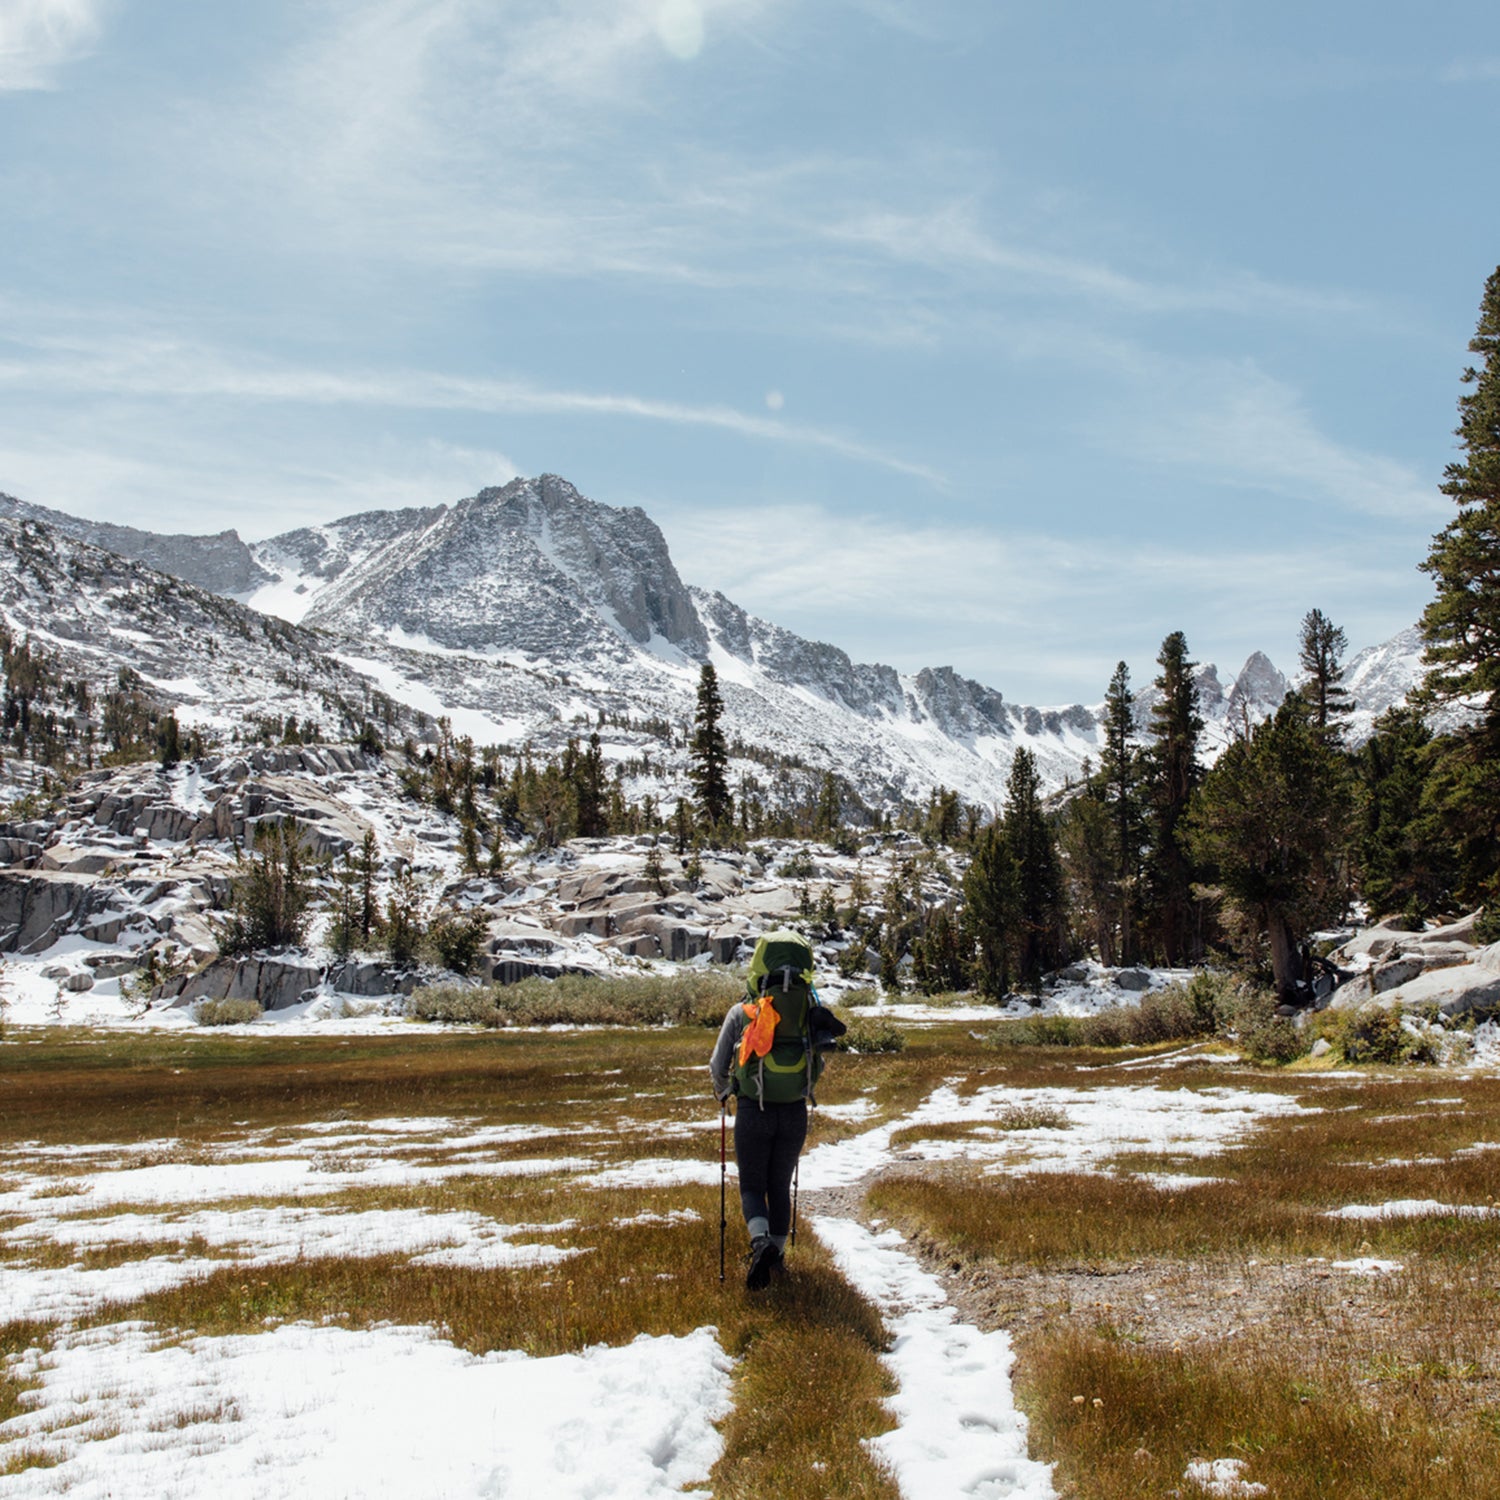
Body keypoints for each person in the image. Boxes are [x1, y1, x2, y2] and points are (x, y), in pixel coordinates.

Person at [709, 928, 841, 1289]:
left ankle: (760, 1244)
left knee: (752, 1185)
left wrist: (725, 1093)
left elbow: (717, 1064)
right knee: (779, 1184)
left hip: (753, 1108)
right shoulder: (810, 1012)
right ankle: (777, 1259)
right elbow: (819, 1064)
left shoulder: (744, 1011)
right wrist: (803, 1089)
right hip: (794, 1110)